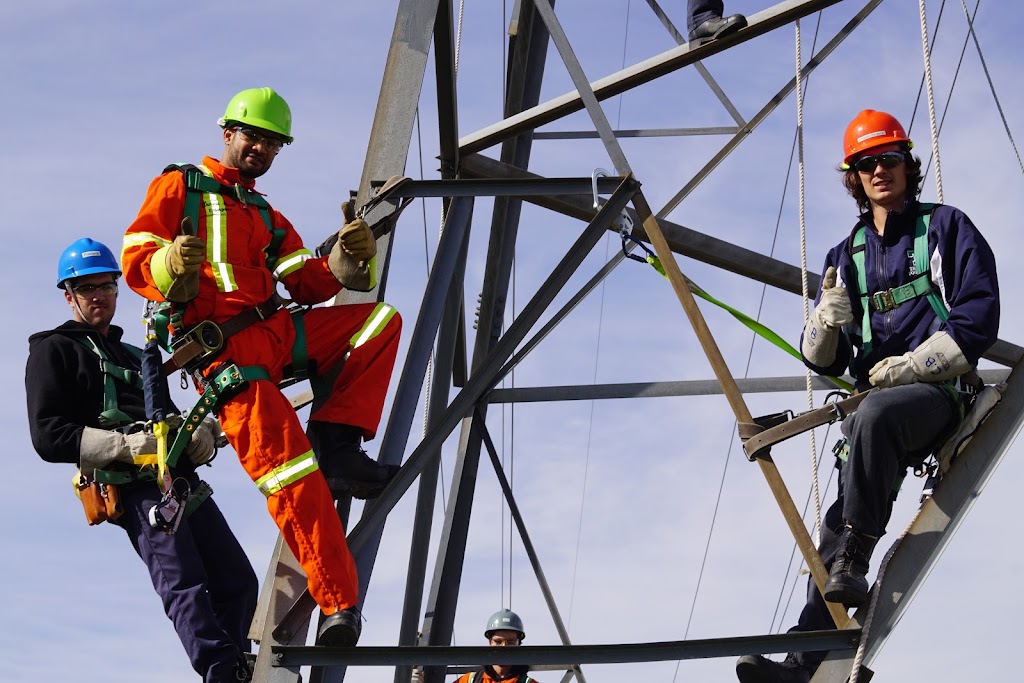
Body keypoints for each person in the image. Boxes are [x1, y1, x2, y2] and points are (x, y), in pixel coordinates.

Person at [121, 87, 403, 647]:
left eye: (272, 143)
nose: (261, 149)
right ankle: (339, 604)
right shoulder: (181, 185)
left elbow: (305, 280)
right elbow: (137, 254)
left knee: (378, 321)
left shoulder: (264, 213)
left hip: (274, 336)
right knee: (292, 476)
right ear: (227, 133)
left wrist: (346, 258)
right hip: (225, 358)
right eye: (253, 136)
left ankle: (340, 445)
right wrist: (167, 263)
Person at [736, 109, 999, 683]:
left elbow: (977, 314)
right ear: (854, 177)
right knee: (836, 527)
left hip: (938, 395)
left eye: (889, 160)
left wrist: (916, 365)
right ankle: (801, 663)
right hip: (872, 411)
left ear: (908, 166)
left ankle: (857, 554)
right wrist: (825, 326)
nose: (880, 171)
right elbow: (824, 360)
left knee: (874, 423)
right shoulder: (845, 255)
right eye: (866, 164)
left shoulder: (946, 228)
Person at [26, 238, 259, 683]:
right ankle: (221, 671)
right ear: (69, 295)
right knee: (185, 583)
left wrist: (199, 436)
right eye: (86, 288)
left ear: (117, 289)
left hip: (177, 481)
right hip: (132, 486)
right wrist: (123, 447)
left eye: (106, 286)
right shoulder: (54, 350)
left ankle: (234, 665)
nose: (98, 296)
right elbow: (47, 435)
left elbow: (165, 418)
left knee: (238, 581)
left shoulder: (138, 358)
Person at [412, 609, 538, 683]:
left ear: (518, 644)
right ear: (490, 643)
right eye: (498, 642)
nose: (504, 647)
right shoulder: (470, 680)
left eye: (510, 642)